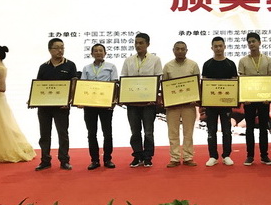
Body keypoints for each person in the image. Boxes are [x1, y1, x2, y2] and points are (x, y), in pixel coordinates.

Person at [35, 38, 78, 171]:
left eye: (62, 47)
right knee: (44, 135)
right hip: (44, 107)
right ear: (50, 50)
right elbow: (38, 86)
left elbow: (74, 85)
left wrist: (69, 100)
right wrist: (33, 100)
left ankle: (64, 160)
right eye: (57, 48)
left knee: (63, 134)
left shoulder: (70, 65)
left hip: (62, 107)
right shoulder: (43, 67)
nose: (60, 50)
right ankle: (45, 160)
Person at [121, 33, 162, 168]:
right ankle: (137, 156)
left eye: (141, 43)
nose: (138, 45)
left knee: (148, 131)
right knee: (135, 131)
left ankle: (148, 157)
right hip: (132, 103)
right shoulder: (128, 60)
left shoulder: (155, 60)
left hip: (148, 103)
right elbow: (124, 79)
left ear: (147, 44)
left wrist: (153, 96)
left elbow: (158, 79)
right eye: (136, 43)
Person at [238, 32, 271, 166]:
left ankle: (264, 155)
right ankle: (250, 156)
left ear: (259, 43)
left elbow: (270, 79)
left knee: (263, 127)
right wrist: (244, 98)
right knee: (249, 128)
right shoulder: (243, 61)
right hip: (249, 99)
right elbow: (242, 80)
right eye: (249, 42)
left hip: (264, 98)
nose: (251, 44)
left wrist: (269, 96)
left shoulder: (268, 60)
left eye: (254, 41)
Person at [80, 43, 119, 170]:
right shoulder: (86, 68)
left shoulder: (111, 67)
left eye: (100, 50)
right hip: (90, 105)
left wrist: (113, 102)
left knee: (107, 132)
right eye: (95, 51)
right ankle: (94, 160)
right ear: (91, 54)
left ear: (105, 53)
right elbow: (83, 86)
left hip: (105, 105)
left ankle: (108, 159)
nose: (98, 53)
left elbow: (114, 84)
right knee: (91, 133)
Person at [162, 41, 200, 168]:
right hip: (172, 105)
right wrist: (166, 101)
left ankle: (188, 157)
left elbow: (197, 84)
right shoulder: (167, 66)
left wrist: (196, 97)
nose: (180, 51)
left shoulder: (193, 65)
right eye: (177, 49)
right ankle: (175, 157)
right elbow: (164, 85)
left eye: (182, 49)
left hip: (189, 105)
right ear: (173, 50)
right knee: (173, 132)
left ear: (186, 51)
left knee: (188, 132)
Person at [202, 36, 238, 167]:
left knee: (227, 130)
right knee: (211, 130)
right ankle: (213, 156)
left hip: (226, 104)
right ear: (212, 48)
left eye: (220, 46)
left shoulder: (230, 64)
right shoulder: (207, 64)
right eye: (215, 46)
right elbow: (204, 83)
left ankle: (226, 155)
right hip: (211, 104)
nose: (218, 48)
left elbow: (234, 83)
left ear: (224, 47)